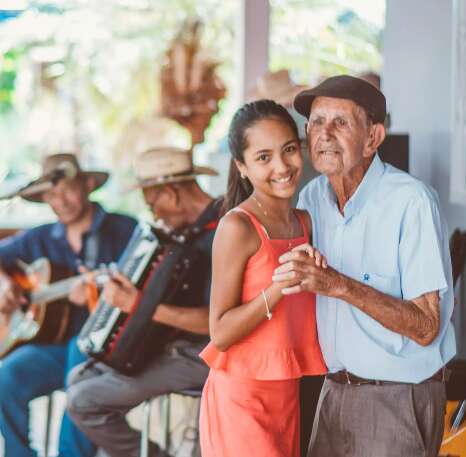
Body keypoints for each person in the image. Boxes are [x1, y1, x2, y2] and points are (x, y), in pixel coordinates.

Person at [272, 75, 456, 457]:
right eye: (316, 123)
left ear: (373, 138)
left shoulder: (411, 202)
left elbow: (425, 326)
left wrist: (337, 284)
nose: (324, 135)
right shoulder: (312, 198)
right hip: (332, 392)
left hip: (395, 399)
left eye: (340, 123)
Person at [66, 146, 221, 457]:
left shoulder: (224, 230)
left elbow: (215, 323)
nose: (154, 214)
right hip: (175, 347)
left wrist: (137, 305)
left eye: (153, 203)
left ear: (172, 193)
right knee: (78, 375)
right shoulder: (185, 234)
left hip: (205, 356)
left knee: (83, 400)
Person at [199, 99, 326, 457]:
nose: (282, 167)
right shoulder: (237, 227)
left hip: (286, 395)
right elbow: (220, 332)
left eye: (288, 150)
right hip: (241, 398)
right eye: (263, 157)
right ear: (241, 166)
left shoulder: (305, 223)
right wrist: (278, 287)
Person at [0, 153, 137, 457]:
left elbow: (146, 287)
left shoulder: (124, 230)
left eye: (67, 190)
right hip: (52, 349)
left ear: (88, 184)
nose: (60, 201)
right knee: (5, 376)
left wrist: (101, 297)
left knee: (80, 364)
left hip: (109, 351)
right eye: (51, 194)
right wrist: (6, 284)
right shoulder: (40, 237)